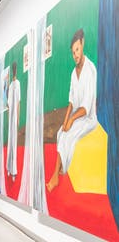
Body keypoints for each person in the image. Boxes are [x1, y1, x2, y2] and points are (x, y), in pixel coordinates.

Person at [46, 29, 97, 192]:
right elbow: (71, 102)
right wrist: (65, 120)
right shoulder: (73, 73)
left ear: (82, 45)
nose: (75, 54)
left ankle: (55, 176)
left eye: (77, 49)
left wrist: (71, 120)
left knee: (68, 136)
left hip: (88, 118)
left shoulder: (90, 69)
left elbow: (85, 107)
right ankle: (60, 168)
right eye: (73, 52)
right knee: (61, 132)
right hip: (76, 115)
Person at [6, 62, 21, 182]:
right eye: (13, 70)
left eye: (15, 70)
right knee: (10, 143)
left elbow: (18, 103)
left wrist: (18, 118)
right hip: (11, 117)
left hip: (14, 116)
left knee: (14, 143)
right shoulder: (10, 85)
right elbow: (9, 104)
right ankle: (8, 167)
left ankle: (14, 171)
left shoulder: (18, 84)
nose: (14, 72)